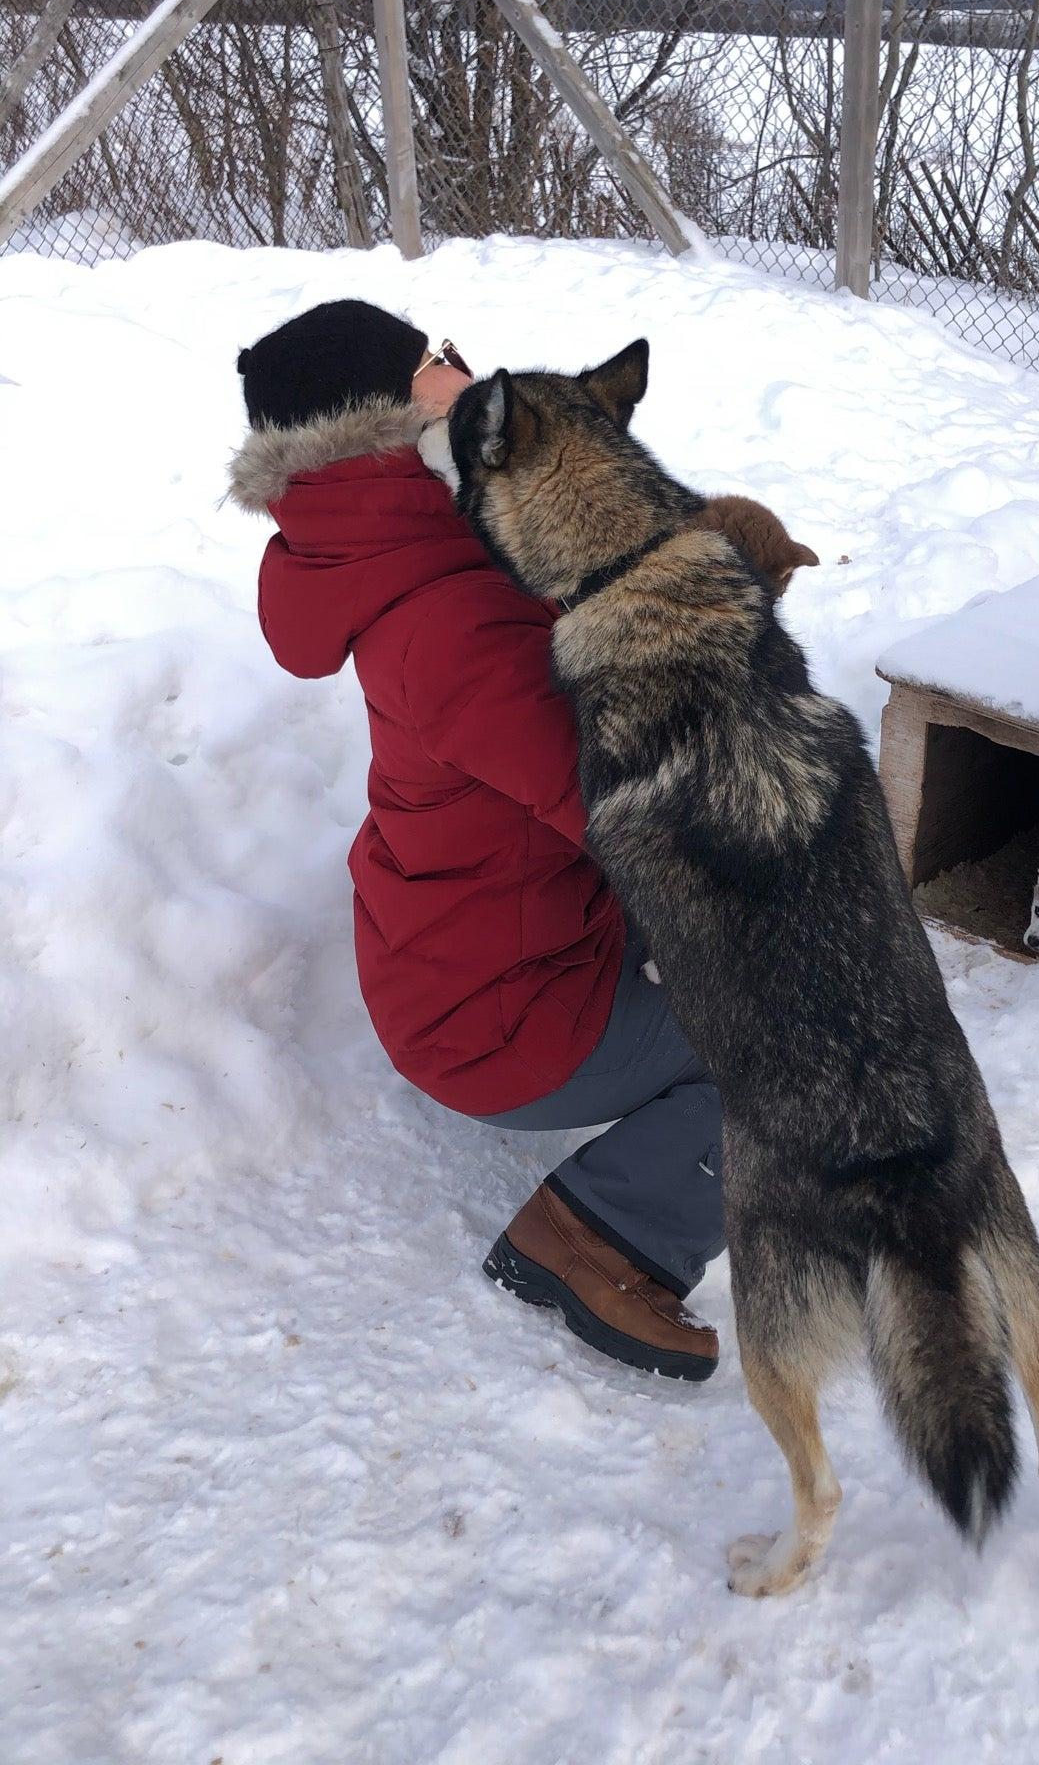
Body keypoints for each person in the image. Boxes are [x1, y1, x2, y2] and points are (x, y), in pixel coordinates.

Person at [228, 299, 722, 1381]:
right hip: (500, 1023)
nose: (467, 364)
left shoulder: (428, 553)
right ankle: (603, 1238)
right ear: (389, 419)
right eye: (438, 358)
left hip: (465, 953)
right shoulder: (454, 616)